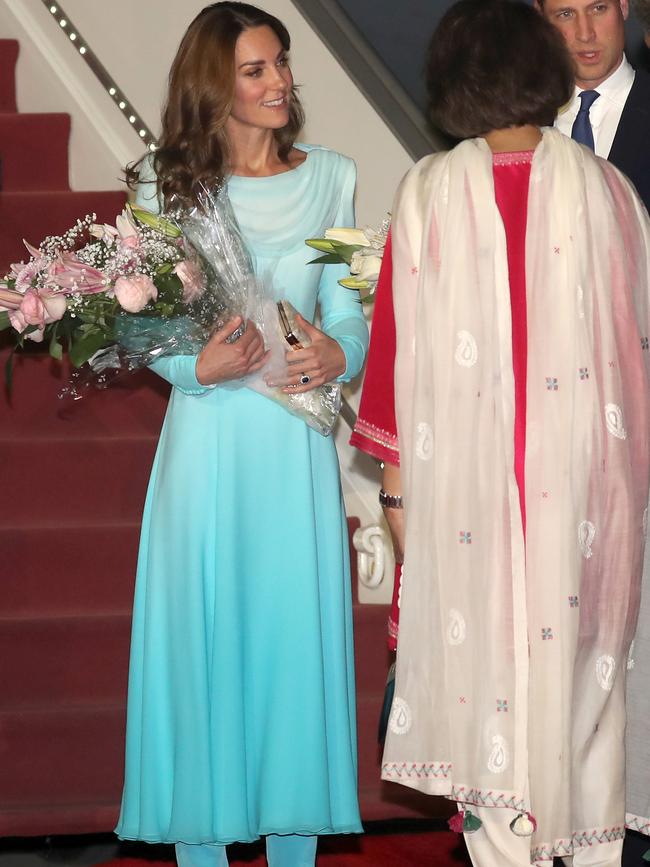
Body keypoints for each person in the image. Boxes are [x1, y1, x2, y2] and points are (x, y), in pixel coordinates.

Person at [352, 1, 650, 865]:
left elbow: (394, 357)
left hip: (474, 494)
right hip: (590, 490)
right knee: (584, 699)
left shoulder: (429, 190)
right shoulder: (610, 189)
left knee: (495, 697)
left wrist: (399, 493)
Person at [114, 4, 368, 865]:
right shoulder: (160, 186)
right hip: (207, 451)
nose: (280, 82)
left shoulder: (334, 176)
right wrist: (197, 370)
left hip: (291, 456)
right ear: (215, 87)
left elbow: (348, 311)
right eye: (256, 70)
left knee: (292, 658)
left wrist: (340, 349)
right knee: (205, 662)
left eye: (282, 63)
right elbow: (146, 333)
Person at [535, 0, 650, 210]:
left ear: (623, 6)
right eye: (566, 14)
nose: (585, 34)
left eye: (598, 9)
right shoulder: (516, 124)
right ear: (541, 19)